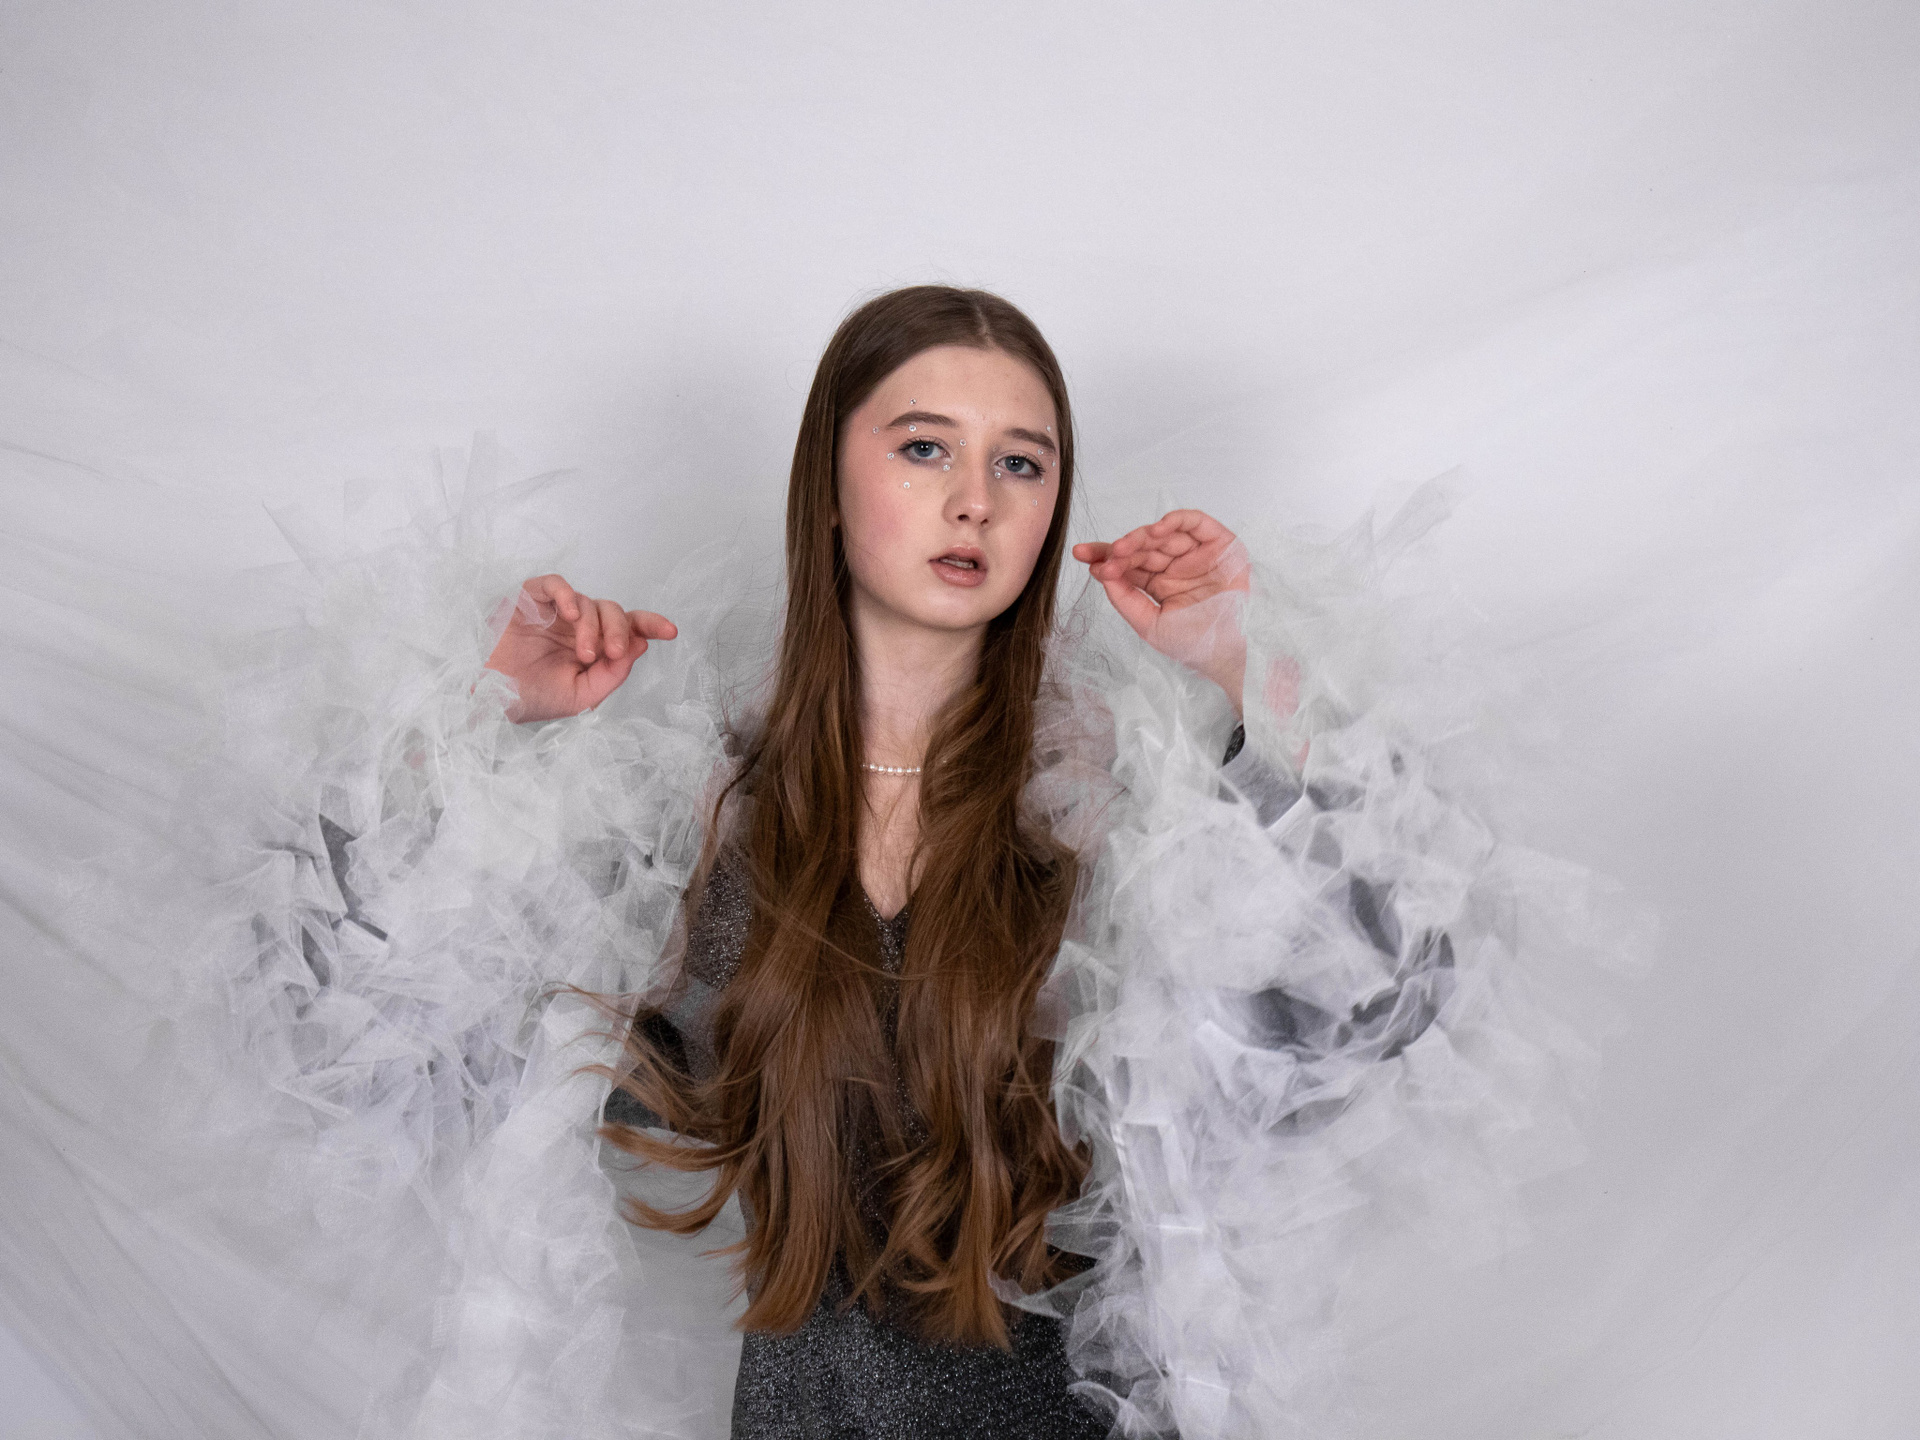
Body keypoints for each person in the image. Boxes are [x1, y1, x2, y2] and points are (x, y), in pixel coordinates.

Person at [474, 286, 1455, 1437]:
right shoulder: (711, 803)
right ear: (827, 485)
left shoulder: (1125, 804)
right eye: (925, 447)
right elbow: (427, 1053)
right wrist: (495, 712)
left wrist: (1250, 669)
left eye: (1021, 464)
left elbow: (1376, 1012)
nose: (976, 500)